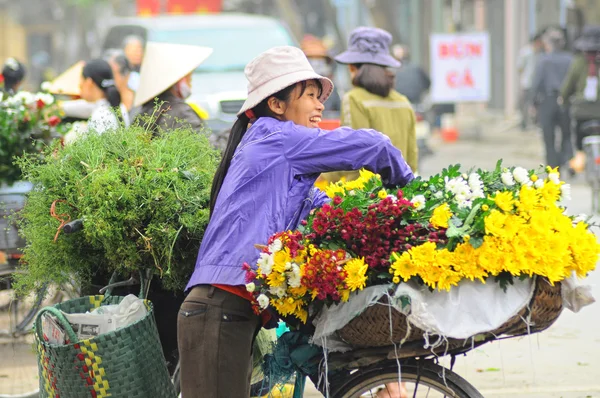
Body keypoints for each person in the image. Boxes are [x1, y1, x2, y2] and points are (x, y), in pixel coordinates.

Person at [177, 45, 414, 397]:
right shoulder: (277, 137)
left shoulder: (276, 153)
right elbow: (374, 146)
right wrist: (407, 189)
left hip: (229, 313)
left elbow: (326, 210)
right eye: (310, 96)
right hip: (218, 310)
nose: (320, 105)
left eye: (321, 97)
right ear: (276, 104)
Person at [321, 27, 418, 184]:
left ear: (352, 68)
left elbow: (352, 154)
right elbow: (412, 161)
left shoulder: (354, 99)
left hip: (363, 198)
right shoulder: (403, 102)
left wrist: (323, 173)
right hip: (399, 198)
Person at [133, 42, 211, 134]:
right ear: (178, 82)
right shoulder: (181, 112)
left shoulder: (147, 110)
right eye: (189, 77)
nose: (191, 82)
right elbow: (211, 146)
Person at [531, 27, 573, 169]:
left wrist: (533, 102)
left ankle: (553, 166)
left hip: (548, 100)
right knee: (566, 134)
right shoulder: (569, 59)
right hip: (565, 100)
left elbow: (537, 82)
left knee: (549, 137)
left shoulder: (544, 60)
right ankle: (564, 159)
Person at [561, 25, 600, 173]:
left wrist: (563, 100)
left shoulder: (578, 61)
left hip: (582, 113)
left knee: (579, 140)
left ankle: (579, 160)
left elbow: (568, 86)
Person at [64, 59, 122, 143]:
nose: (79, 85)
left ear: (89, 82)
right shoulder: (109, 107)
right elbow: (83, 107)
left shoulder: (101, 116)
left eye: (81, 80)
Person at [300, 35, 341, 115]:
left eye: (320, 61)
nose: (317, 65)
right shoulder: (296, 89)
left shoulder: (331, 88)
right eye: (311, 61)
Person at [517, 32, 544, 130]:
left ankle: (536, 123)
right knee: (524, 104)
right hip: (527, 83)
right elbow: (520, 67)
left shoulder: (541, 54)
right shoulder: (525, 52)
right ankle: (524, 124)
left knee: (537, 104)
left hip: (538, 83)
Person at [103, 49, 135, 120]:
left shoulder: (138, 102)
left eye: (112, 73)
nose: (110, 78)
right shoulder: (109, 97)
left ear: (126, 74)